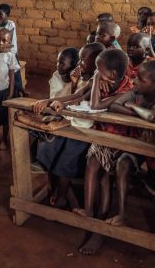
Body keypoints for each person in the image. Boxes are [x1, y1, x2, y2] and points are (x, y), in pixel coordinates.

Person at [31, 43, 105, 209]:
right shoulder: (85, 79)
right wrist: (50, 100)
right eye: (79, 61)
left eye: (83, 61)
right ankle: (55, 187)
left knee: (65, 159)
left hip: (84, 130)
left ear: (96, 63)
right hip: (72, 124)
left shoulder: (99, 81)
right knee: (48, 140)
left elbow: (82, 100)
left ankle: (63, 195)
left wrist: (54, 102)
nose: (79, 65)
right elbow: (76, 95)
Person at [76, 49, 134, 255]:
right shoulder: (106, 81)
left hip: (122, 141)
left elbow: (95, 105)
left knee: (103, 176)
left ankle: (99, 228)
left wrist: (95, 82)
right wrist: (96, 83)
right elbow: (82, 98)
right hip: (104, 137)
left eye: (98, 71)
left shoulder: (128, 89)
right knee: (92, 162)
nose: (95, 74)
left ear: (112, 74)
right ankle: (89, 213)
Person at [107, 60, 155, 226]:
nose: (135, 81)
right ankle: (121, 214)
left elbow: (152, 116)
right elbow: (114, 106)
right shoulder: (136, 92)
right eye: (136, 77)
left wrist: (133, 107)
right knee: (122, 164)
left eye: (141, 80)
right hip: (137, 144)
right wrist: (138, 114)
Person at [0, 3, 26, 96]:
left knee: (15, 69)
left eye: (0, 15)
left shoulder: (11, 25)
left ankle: (19, 89)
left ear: (7, 16)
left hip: (10, 51)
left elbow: (10, 44)